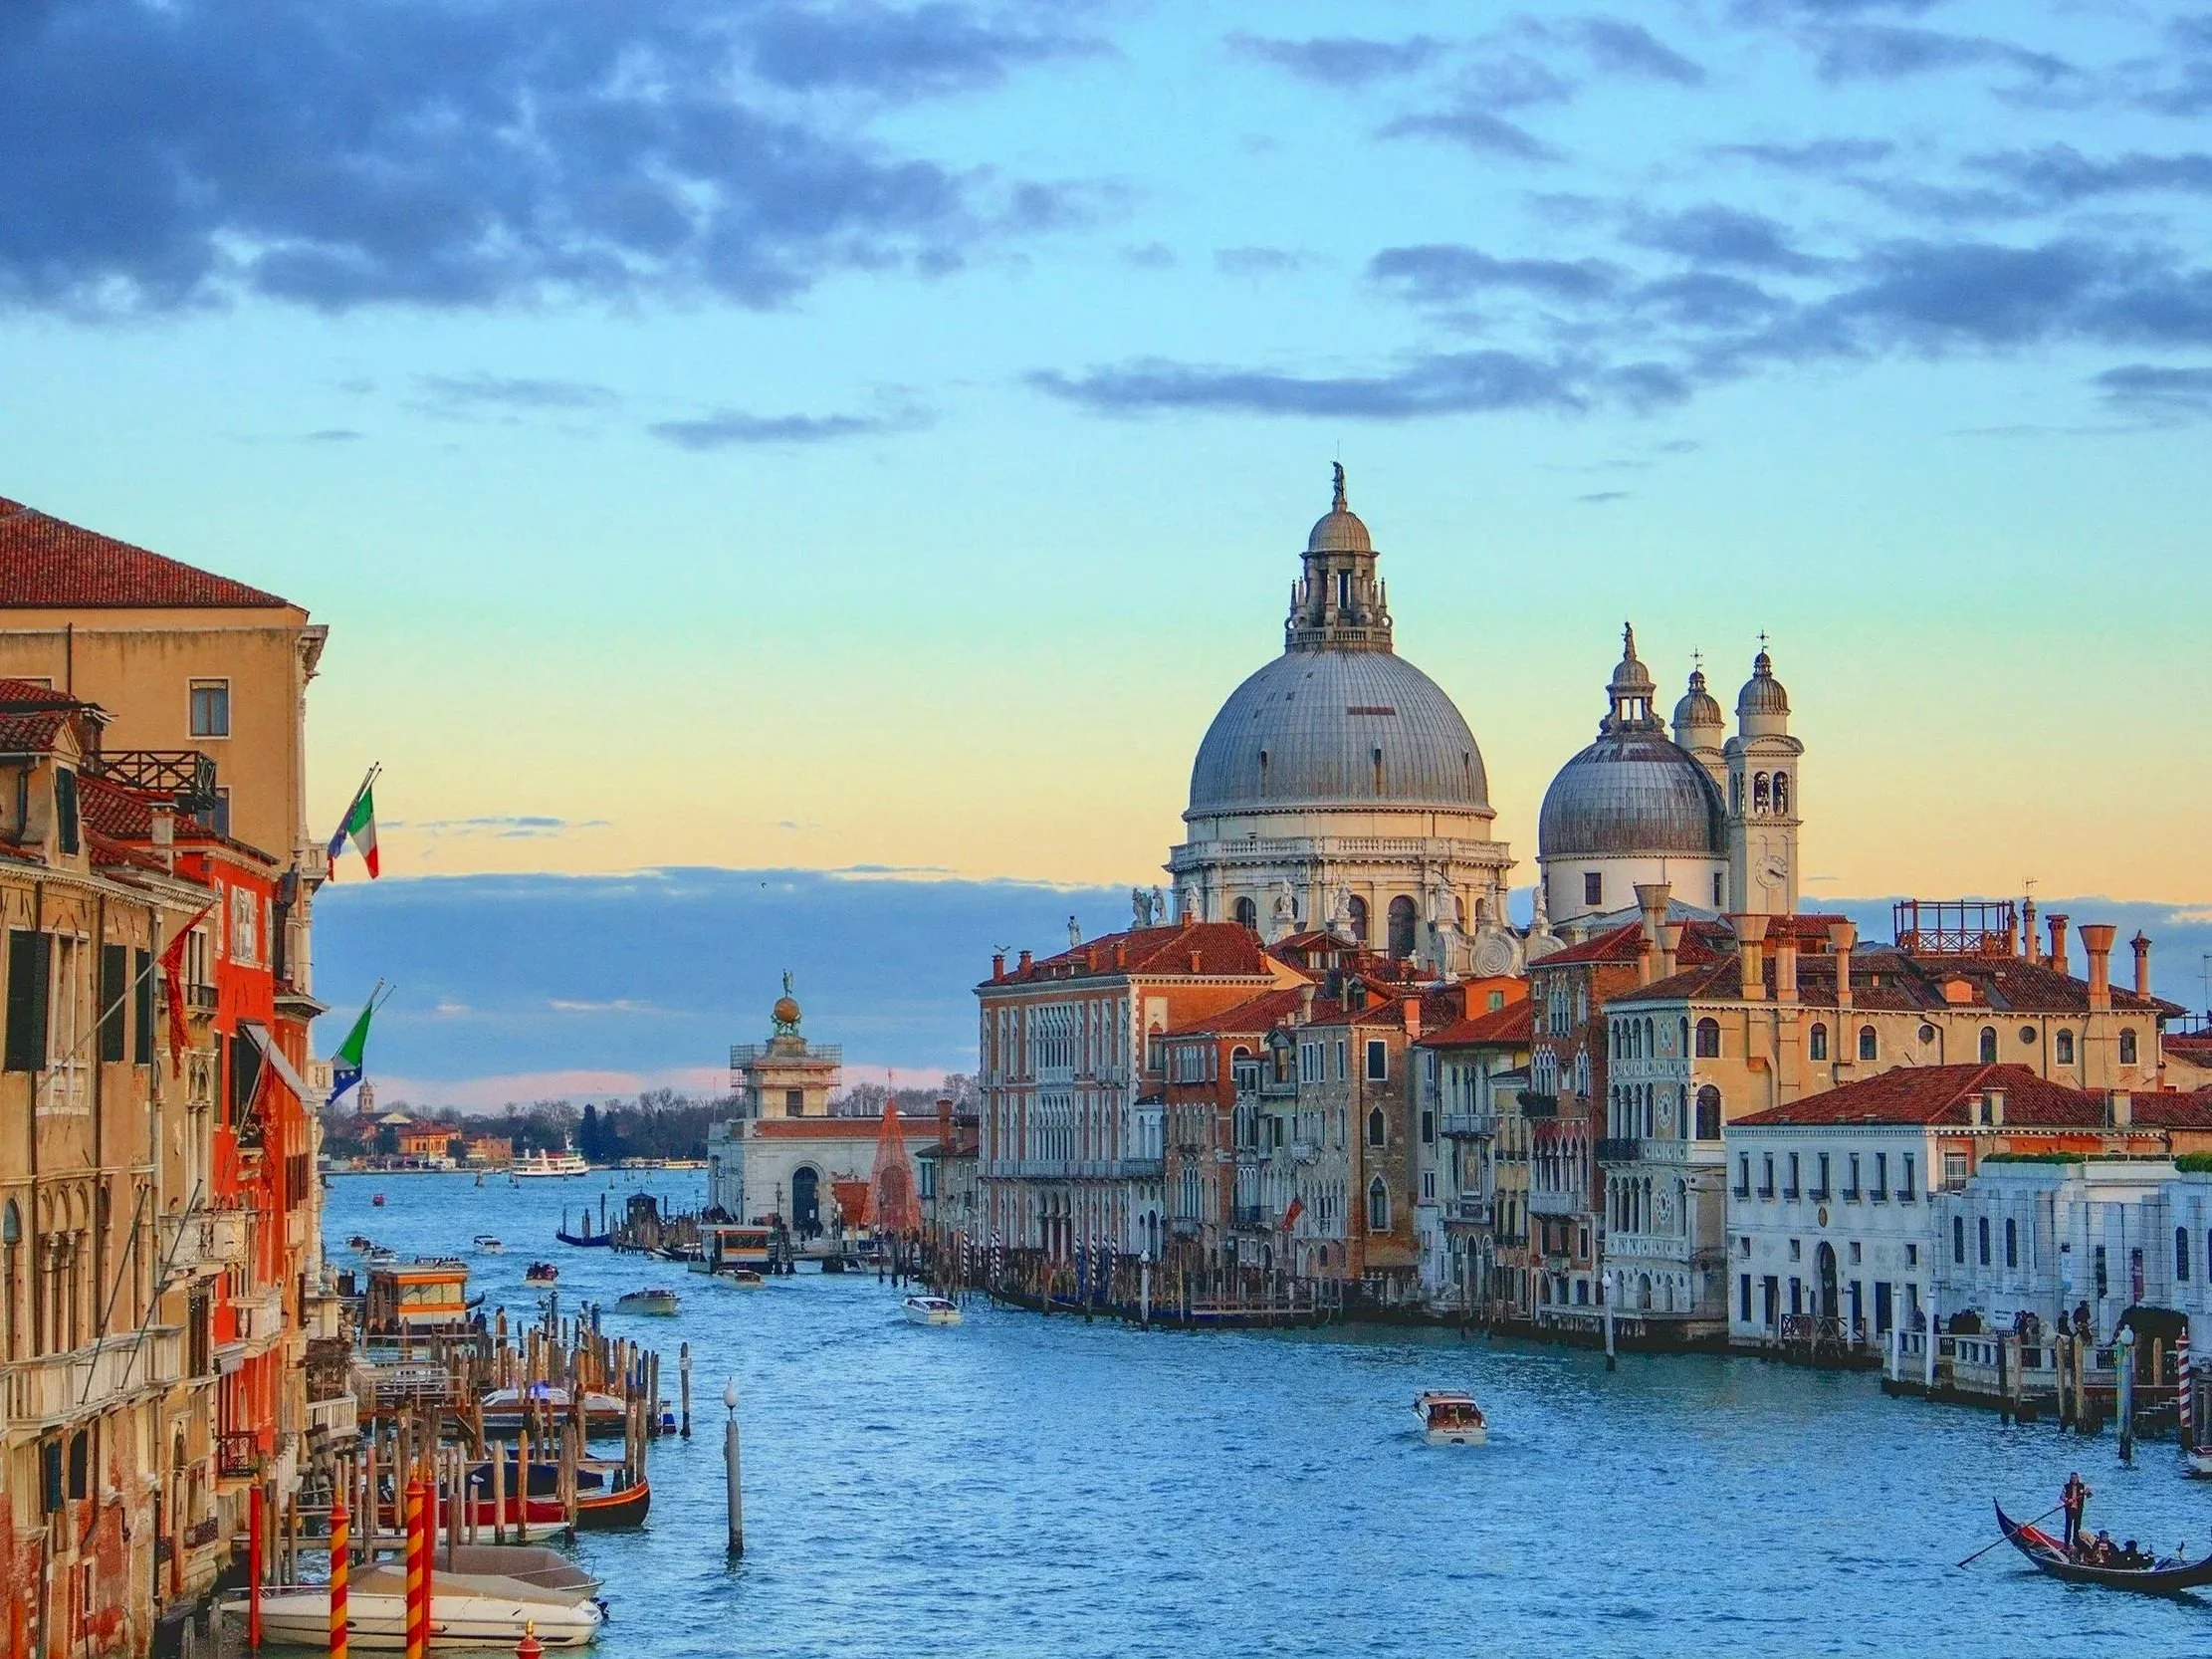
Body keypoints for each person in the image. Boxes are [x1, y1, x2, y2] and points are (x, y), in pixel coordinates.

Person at [2062, 1471, 2092, 1551]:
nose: (2074, 1479)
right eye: (2072, 1478)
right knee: (2068, 1528)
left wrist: (2088, 1492)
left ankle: (2076, 1546)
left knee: (2077, 1529)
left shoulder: (2082, 1486)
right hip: (2069, 1509)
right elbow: (2062, 1496)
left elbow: (2089, 1496)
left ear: (2078, 1478)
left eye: (2075, 1478)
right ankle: (2066, 1546)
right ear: (2070, 1479)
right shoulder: (2066, 1486)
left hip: (2078, 1510)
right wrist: (2067, 1500)